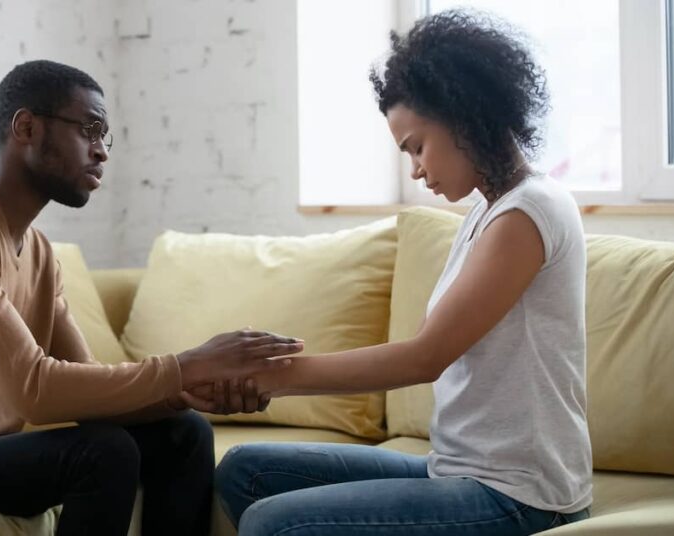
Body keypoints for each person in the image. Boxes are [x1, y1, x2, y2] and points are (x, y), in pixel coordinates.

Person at [0, 59, 302, 536]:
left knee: (184, 432)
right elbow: (34, 390)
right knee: (104, 453)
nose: (102, 152)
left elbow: (92, 391)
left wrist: (188, 393)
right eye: (90, 129)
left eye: (104, 136)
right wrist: (186, 366)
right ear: (26, 127)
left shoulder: (37, 250)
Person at [215, 10, 592, 536]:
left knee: (271, 522)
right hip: (458, 470)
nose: (414, 168)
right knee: (245, 472)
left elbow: (425, 357)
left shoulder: (528, 213)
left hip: (520, 497)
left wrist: (273, 376)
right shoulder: (490, 209)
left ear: (464, 116)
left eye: (417, 146)